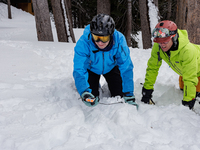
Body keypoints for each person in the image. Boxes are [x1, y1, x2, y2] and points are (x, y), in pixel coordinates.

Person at [73, 14, 135, 107]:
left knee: (119, 95)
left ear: (110, 35)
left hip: (111, 68)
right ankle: (94, 85)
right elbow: (79, 68)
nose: (100, 42)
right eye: (96, 37)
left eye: (104, 38)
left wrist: (128, 93)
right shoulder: (84, 42)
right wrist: (84, 91)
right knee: (91, 99)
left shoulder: (119, 40)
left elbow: (126, 67)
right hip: (91, 69)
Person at [141, 20, 200, 110]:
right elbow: (152, 68)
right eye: (160, 42)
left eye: (165, 41)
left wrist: (188, 102)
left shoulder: (187, 51)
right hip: (185, 72)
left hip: (197, 71)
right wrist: (147, 90)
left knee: (193, 94)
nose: (162, 45)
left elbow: (190, 78)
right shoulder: (158, 47)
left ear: (174, 37)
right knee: (183, 88)